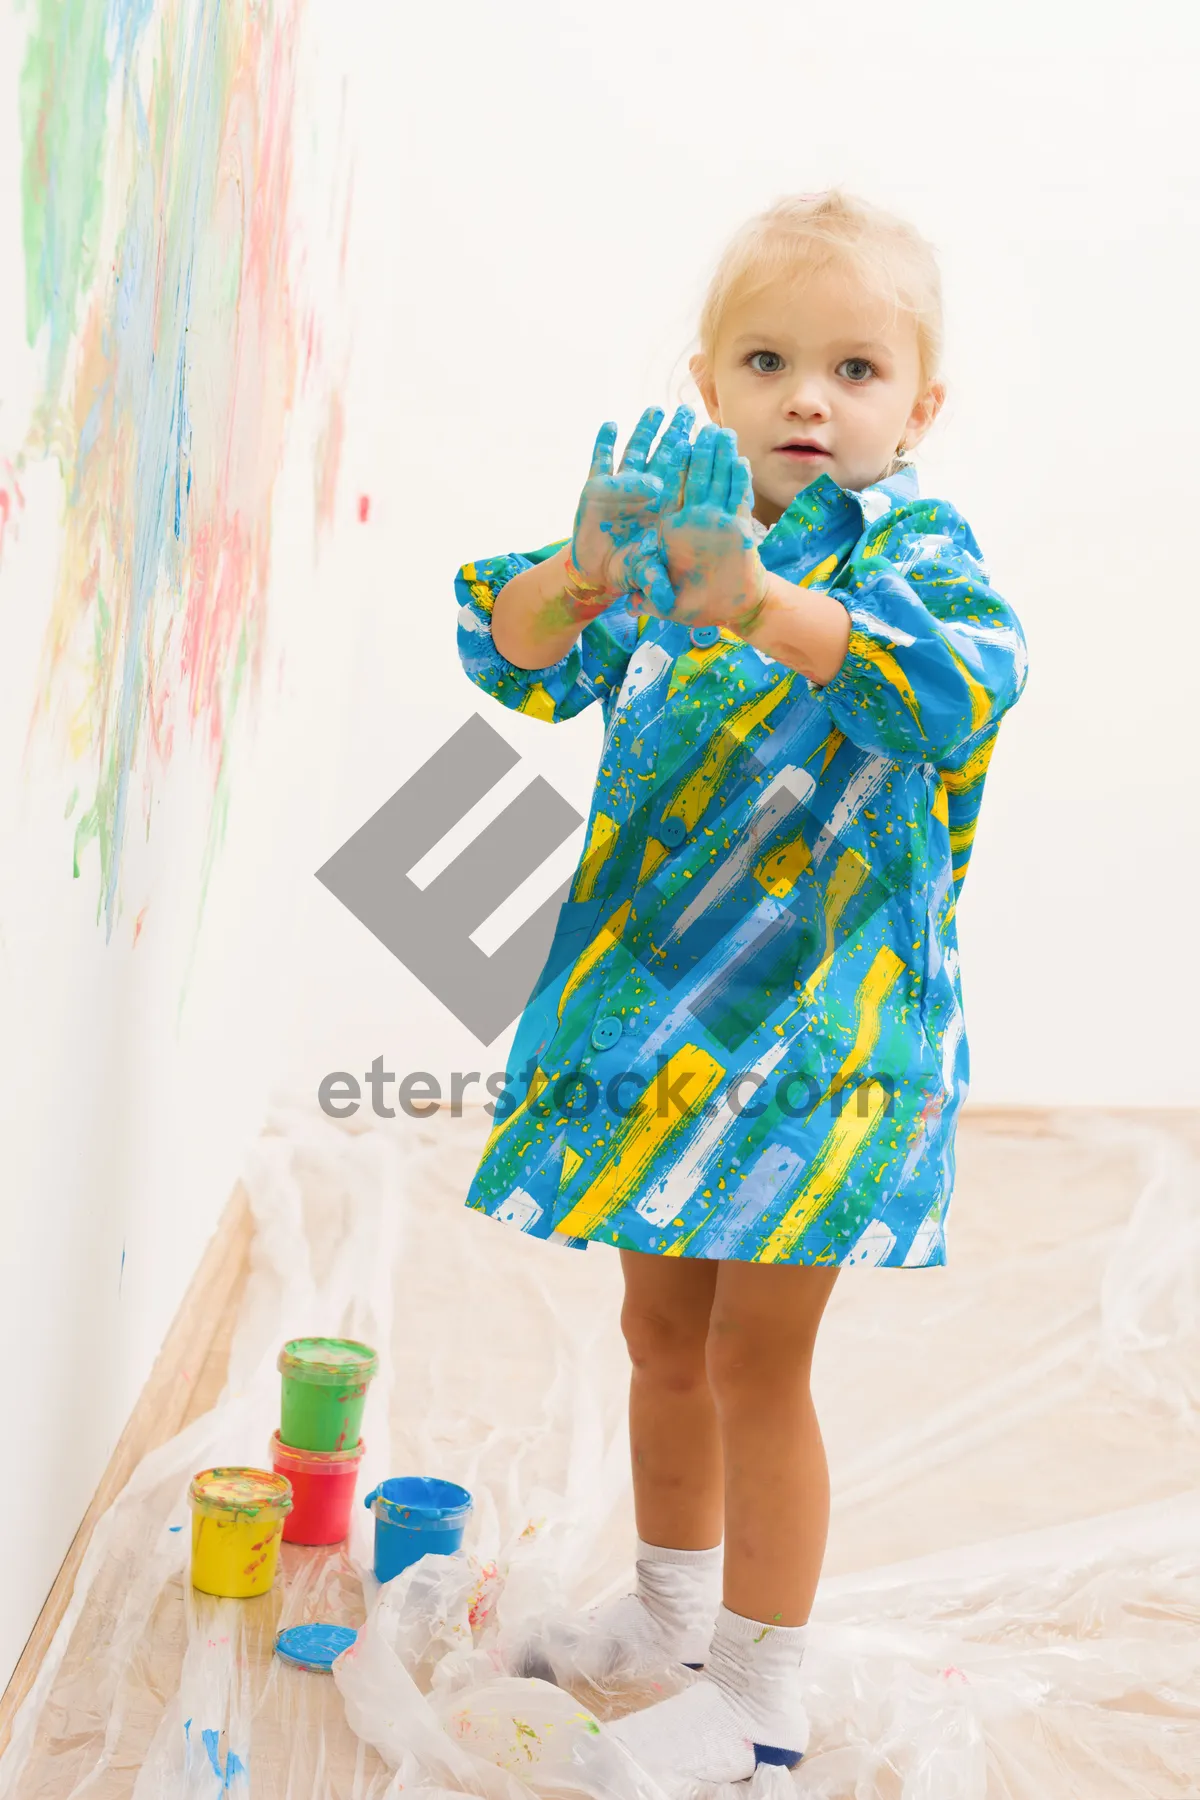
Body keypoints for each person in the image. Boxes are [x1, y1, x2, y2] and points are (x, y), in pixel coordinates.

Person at [451, 189, 1028, 1783]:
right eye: (769, 360)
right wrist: (583, 572)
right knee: (660, 1334)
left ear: (920, 407)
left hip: (827, 1038)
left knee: (763, 1360)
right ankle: (669, 1609)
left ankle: (762, 1691)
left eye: (855, 369)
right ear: (707, 382)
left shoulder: (918, 551)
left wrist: (758, 600)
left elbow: (951, 688)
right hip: (657, 1021)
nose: (809, 399)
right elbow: (510, 651)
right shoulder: (672, 531)